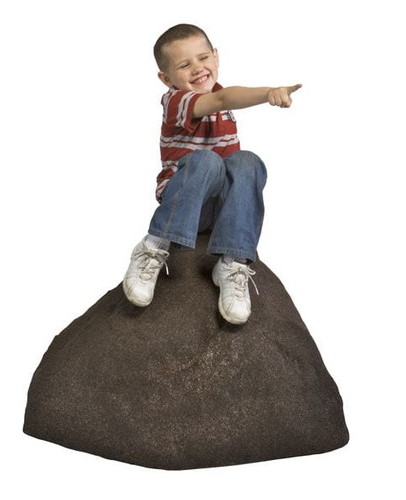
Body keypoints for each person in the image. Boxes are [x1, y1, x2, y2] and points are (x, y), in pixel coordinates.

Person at [123, 23, 301, 325]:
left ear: (216, 57)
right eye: (184, 64)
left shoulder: (225, 102)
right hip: (186, 202)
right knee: (207, 161)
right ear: (166, 78)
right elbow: (223, 99)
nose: (198, 68)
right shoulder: (176, 101)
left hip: (221, 211)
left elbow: (226, 102)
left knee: (248, 162)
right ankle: (154, 246)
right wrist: (268, 93)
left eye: (203, 58)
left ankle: (232, 262)